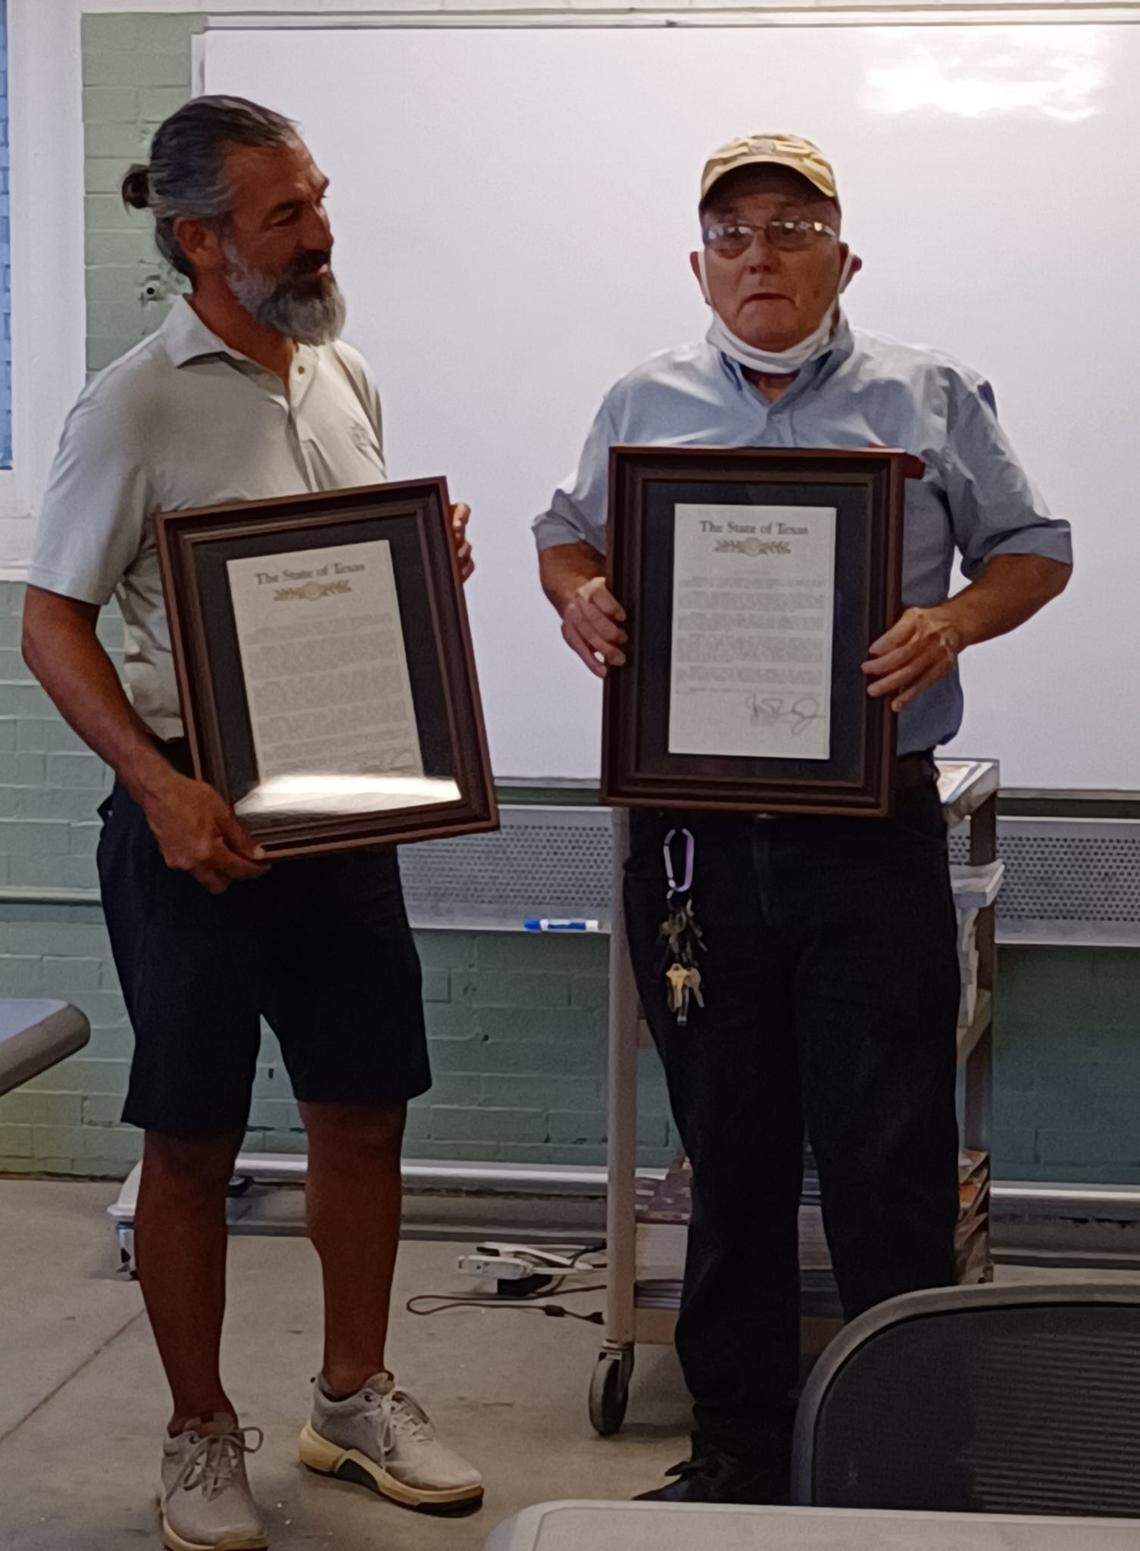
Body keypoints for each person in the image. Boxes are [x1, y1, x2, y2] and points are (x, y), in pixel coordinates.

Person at [534, 133, 1072, 1505]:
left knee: (887, 1156)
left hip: (866, 830)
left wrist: (952, 621)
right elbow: (565, 533)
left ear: (844, 253)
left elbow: (1036, 550)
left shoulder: (930, 396)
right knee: (732, 1151)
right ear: (699, 264)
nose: (760, 255)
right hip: (698, 843)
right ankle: (740, 1451)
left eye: (790, 226)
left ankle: (910, 1460)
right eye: (733, 235)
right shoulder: (639, 399)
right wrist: (579, 592)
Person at [23, 96, 482, 1551]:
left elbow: (339, 593)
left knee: (363, 1110)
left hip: (339, 809)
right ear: (198, 239)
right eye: (285, 214)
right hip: (192, 823)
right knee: (192, 1137)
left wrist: (423, 569)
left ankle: (352, 1397)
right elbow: (48, 624)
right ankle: (196, 1432)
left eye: (319, 198)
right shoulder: (134, 402)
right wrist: (158, 791)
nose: (320, 230)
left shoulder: (342, 376)